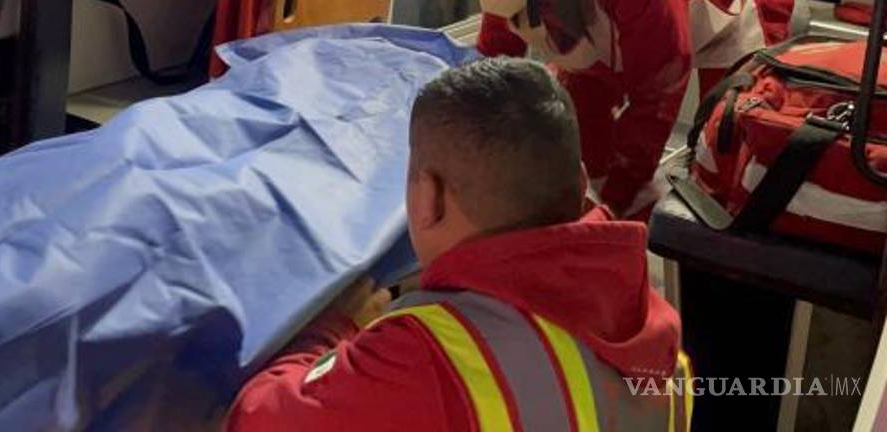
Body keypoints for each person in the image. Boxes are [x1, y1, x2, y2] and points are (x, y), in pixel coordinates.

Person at [227, 57, 690, 431]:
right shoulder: (653, 324)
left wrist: (330, 331)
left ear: (427, 197)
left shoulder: (425, 354)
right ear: (582, 182)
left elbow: (257, 420)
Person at [453, 0, 798, 218]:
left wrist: (616, 201)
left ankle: (676, 233)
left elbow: (657, 93)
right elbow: (494, 64)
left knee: (725, 141)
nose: (491, 0)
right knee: (583, 130)